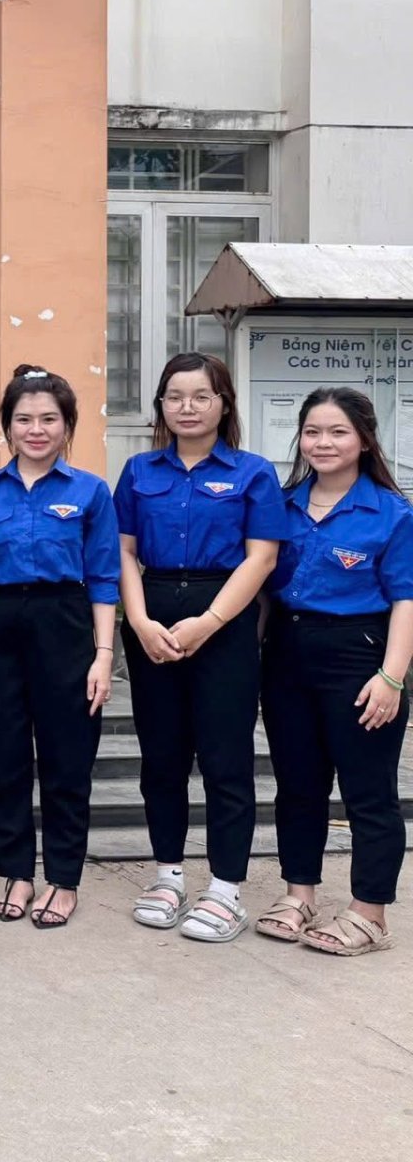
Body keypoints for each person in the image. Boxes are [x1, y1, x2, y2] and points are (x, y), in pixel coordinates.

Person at [116, 352, 283, 944]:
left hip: (224, 617)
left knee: (224, 756)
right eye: (175, 396)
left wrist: (207, 623)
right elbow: (125, 552)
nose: (187, 407)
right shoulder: (138, 470)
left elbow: (261, 557)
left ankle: (225, 888)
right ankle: (167, 875)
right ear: (161, 405)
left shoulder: (253, 473)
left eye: (201, 396)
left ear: (223, 404)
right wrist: (137, 621)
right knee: (161, 756)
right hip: (152, 614)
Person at [0, 366, 119, 929]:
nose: (36, 429)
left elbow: (104, 576)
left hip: (64, 622)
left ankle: (63, 879)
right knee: (3, 758)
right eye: (24, 419)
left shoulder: (90, 491)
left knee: (68, 757)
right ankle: (16, 872)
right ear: (8, 427)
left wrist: (102, 654)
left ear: (68, 426)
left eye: (49, 419)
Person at [254, 387, 413, 957]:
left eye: (338, 432)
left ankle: (370, 913)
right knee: (298, 786)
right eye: (313, 432)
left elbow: (406, 601)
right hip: (288, 654)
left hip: (358, 656)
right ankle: (300, 894)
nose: (323, 443)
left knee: (369, 794)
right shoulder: (286, 504)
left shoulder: (391, 513)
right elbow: (267, 590)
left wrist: (392, 677)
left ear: (364, 439)